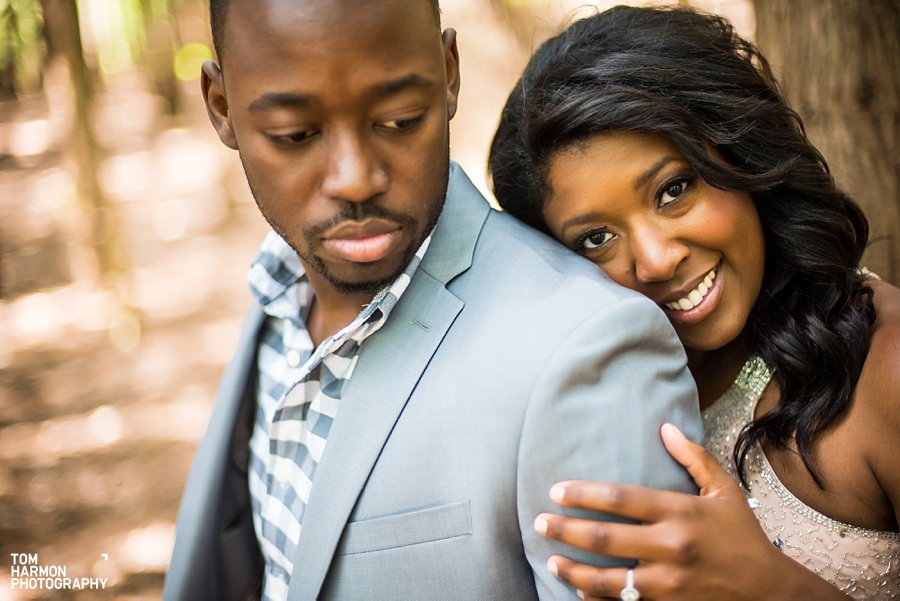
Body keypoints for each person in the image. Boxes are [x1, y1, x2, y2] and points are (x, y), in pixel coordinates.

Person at [162, 1, 704, 599]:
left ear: (449, 74)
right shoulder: (278, 288)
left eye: (398, 119)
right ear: (222, 106)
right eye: (296, 135)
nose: (355, 179)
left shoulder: (584, 351)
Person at [489, 5, 900, 600]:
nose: (656, 261)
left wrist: (770, 587)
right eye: (596, 239)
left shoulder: (884, 368)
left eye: (673, 190)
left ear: (742, 152)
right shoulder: (589, 400)